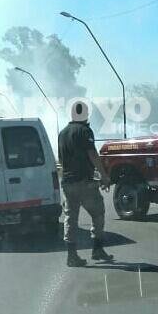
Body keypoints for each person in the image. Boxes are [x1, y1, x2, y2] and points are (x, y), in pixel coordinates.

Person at [58, 100, 114, 267]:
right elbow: (93, 154)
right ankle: (97, 249)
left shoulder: (62, 133)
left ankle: (71, 255)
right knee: (98, 212)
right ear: (85, 114)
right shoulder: (84, 131)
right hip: (84, 182)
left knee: (71, 217)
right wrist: (104, 176)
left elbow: (61, 159)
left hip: (68, 182)